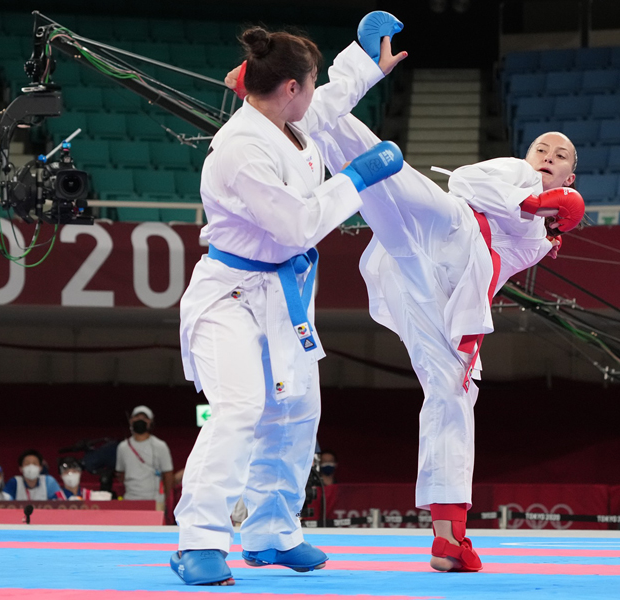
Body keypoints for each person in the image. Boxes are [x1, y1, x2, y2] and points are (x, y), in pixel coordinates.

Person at [228, 12, 583, 573]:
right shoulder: (516, 175)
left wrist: (547, 214)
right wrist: (534, 200)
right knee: (380, 161)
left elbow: (525, 242)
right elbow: (465, 182)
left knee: (451, 395)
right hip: (446, 225)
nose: (547, 156)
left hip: (444, 291)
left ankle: (448, 535)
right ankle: (294, 87)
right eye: (542, 147)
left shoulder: (548, 234)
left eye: (559, 157)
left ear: (571, 177)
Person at [172, 22, 405, 587]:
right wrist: (355, 178)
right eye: (310, 81)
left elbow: (331, 99)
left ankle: (272, 534)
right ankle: (199, 540)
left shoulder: (288, 121)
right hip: (229, 295)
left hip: (283, 294)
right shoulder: (241, 149)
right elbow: (298, 225)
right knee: (239, 409)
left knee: (297, 412)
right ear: (290, 88)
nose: (315, 91)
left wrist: (367, 60)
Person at [115, 406, 174, 511]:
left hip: (155, 501)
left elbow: (168, 475)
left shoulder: (160, 446)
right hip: (130, 499)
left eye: (144, 418)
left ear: (150, 422)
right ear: (131, 420)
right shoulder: (123, 447)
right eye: (137, 417)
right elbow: (121, 474)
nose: (140, 420)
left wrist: (164, 497)